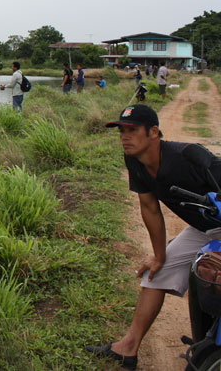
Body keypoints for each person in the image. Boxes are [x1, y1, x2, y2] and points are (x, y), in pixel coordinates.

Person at [86, 105, 221, 370]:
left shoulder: (187, 159)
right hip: (205, 228)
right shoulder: (134, 159)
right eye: (121, 131)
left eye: (132, 130)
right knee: (156, 273)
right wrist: (159, 256)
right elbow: (149, 207)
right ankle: (128, 348)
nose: (125, 137)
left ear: (154, 132)